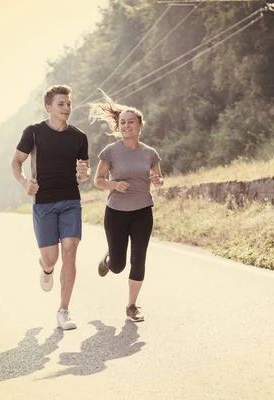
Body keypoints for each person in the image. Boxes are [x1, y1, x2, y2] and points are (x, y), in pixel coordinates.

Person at [10, 84, 90, 330]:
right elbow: (16, 162)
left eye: (68, 104)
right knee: (51, 258)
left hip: (70, 201)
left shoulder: (79, 137)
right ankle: (46, 269)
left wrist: (85, 173)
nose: (66, 108)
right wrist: (25, 183)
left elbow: (85, 171)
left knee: (70, 252)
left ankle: (64, 311)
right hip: (43, 202)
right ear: (48, 107)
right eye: (61, 104)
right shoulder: (33, 132)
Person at [90, 94, 164, 322]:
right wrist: (114, 184)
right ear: (118, 126)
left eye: (131, 122)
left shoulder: (150, 153)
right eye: (122, 122)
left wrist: (158, 181)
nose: (126, 125)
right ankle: (109, 259)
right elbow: (98, 180)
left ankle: (132, 306)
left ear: (140, 126)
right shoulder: (111, 151)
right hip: (116, 213)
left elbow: (158, 177)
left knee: (139, 258)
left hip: (143, 211)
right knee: (119, 265)